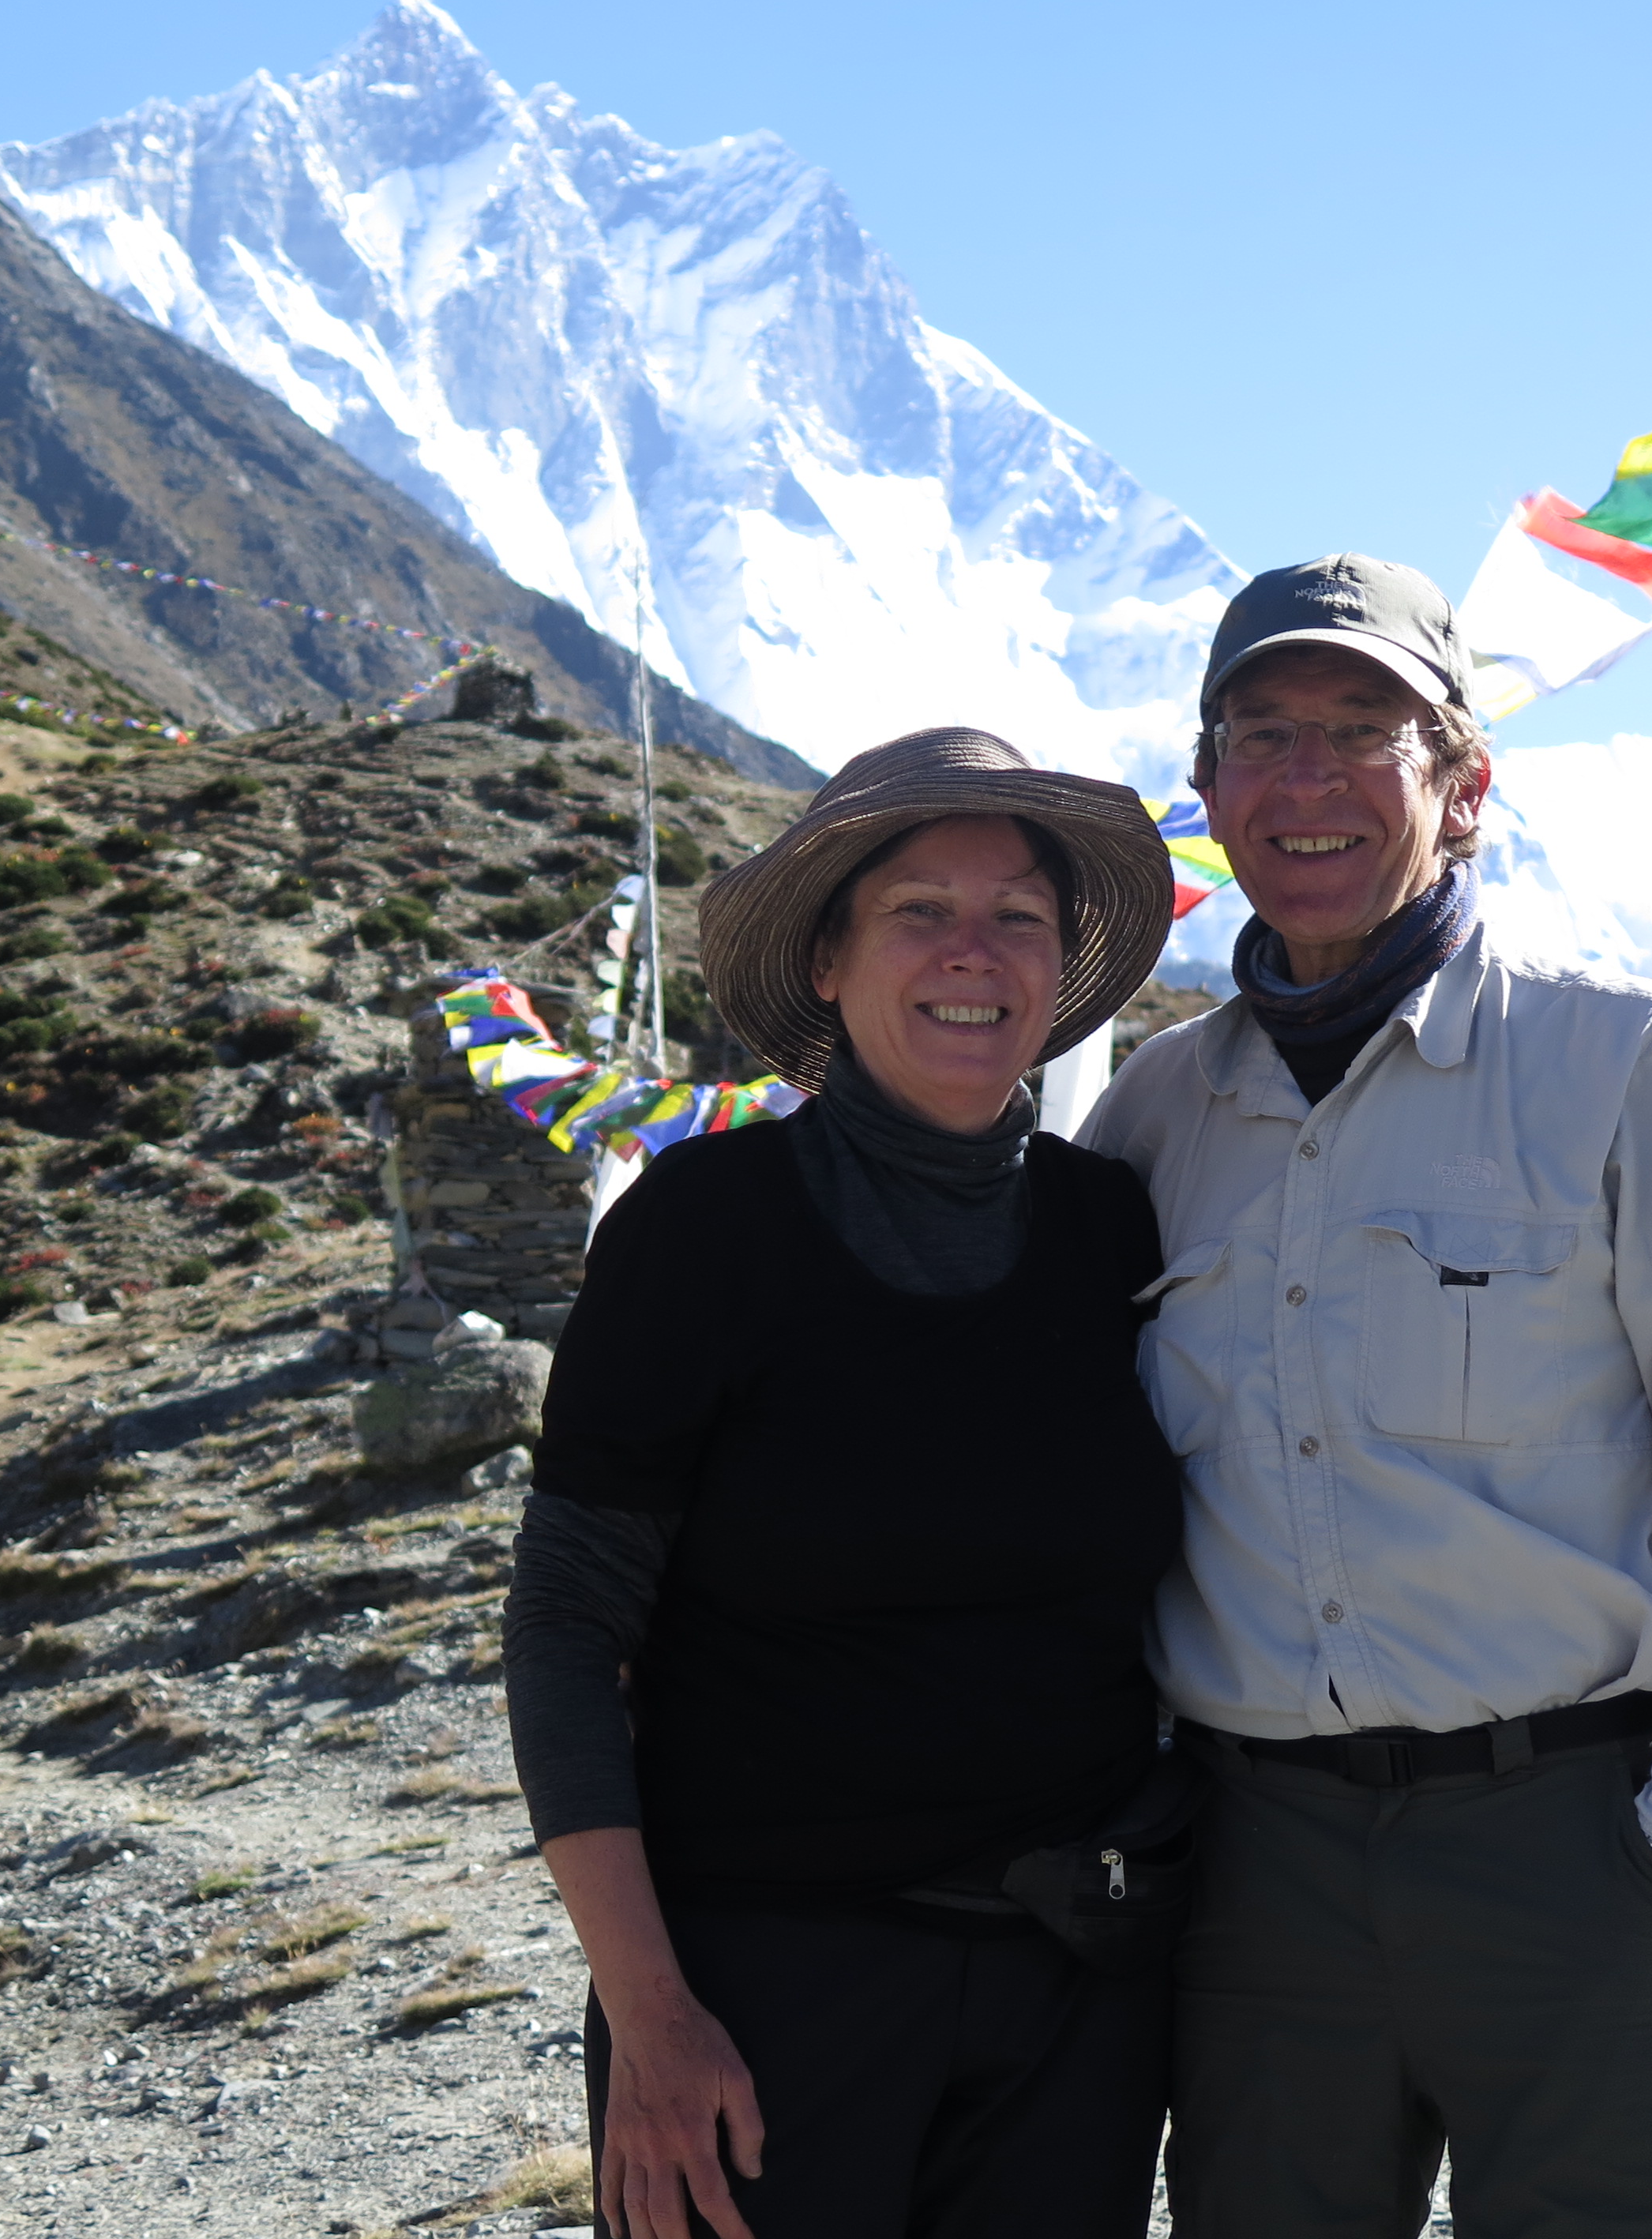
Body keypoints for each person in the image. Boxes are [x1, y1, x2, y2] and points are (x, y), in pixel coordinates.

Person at [1078, 554, 1652, 2239]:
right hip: (1252, 1877)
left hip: (1567, 1850)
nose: (1306, 781)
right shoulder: (1153, 1118)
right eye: (1263, 735)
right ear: (1206, 790)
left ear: (1464, 788)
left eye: (1360, 733)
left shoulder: (1627, 1065)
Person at [505, 726, 1188, 2239]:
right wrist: (652, 2015)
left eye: (1018, 915)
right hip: (764, 1994)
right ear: (827, 959)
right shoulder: (703, 1231)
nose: (972, 951)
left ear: (1060, 965)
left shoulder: (1115, 1231)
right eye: (917, 909)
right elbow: (565, 1628)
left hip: (1073, 1995)